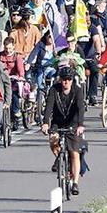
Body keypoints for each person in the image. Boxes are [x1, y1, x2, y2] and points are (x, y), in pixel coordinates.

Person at [42, 66, 88, 194]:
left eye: (68, 79)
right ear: (60, 80)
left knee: (74, 153)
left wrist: (80, 125)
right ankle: (59, 157)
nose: (66, 82)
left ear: (72, 80)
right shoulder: (54, 90)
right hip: (58, 122)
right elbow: (49, 107)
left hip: (73, 123)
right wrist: (46, 123)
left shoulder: (77, 91)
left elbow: (80, 108)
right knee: (53, 140)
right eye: (63, 79)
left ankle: (75, 183)